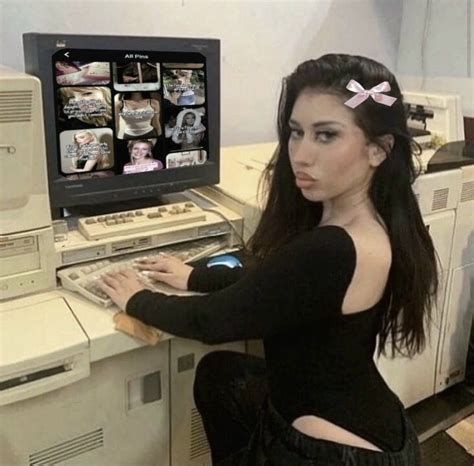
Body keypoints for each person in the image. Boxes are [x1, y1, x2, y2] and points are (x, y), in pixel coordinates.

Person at [99, 54, 440, 465]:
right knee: (219, 375)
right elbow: (274, 283)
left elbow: (210, 321)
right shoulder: (371, 218)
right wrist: (194, 277)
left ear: (378, 151)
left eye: (326, 135)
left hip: (331, 454)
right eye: (296, 133)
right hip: (366, 422)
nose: (301, 154)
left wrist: (137, 298)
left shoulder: (334, 248)